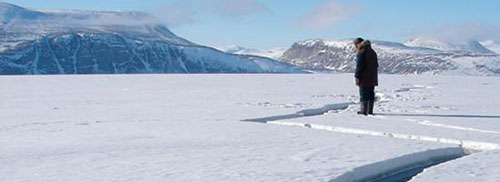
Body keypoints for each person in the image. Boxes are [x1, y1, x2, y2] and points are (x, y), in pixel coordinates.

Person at [353, 37, 378, 115]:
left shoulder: (361, 52)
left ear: (358, 44)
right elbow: (376, 65)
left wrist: (357, 76)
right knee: (370, 93)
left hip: (364, 77)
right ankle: (370, 111)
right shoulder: (372, 52)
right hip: (373, 77)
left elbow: (359, 66)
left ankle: (364, 110)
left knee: (363, 94)